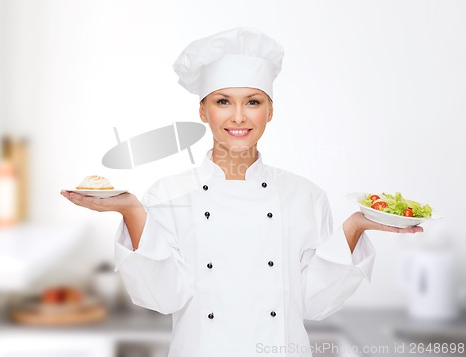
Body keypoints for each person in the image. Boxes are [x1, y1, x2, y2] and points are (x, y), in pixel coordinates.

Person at [61, 27, 423, 357]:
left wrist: (354, 228)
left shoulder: (305, 196)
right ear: (203, 111)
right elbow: (161, 296)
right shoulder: (167, 194)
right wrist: (132, 212)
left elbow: (314, 303)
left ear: (270, 111)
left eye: (253, 102)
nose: (238, 117)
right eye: (222, 102)